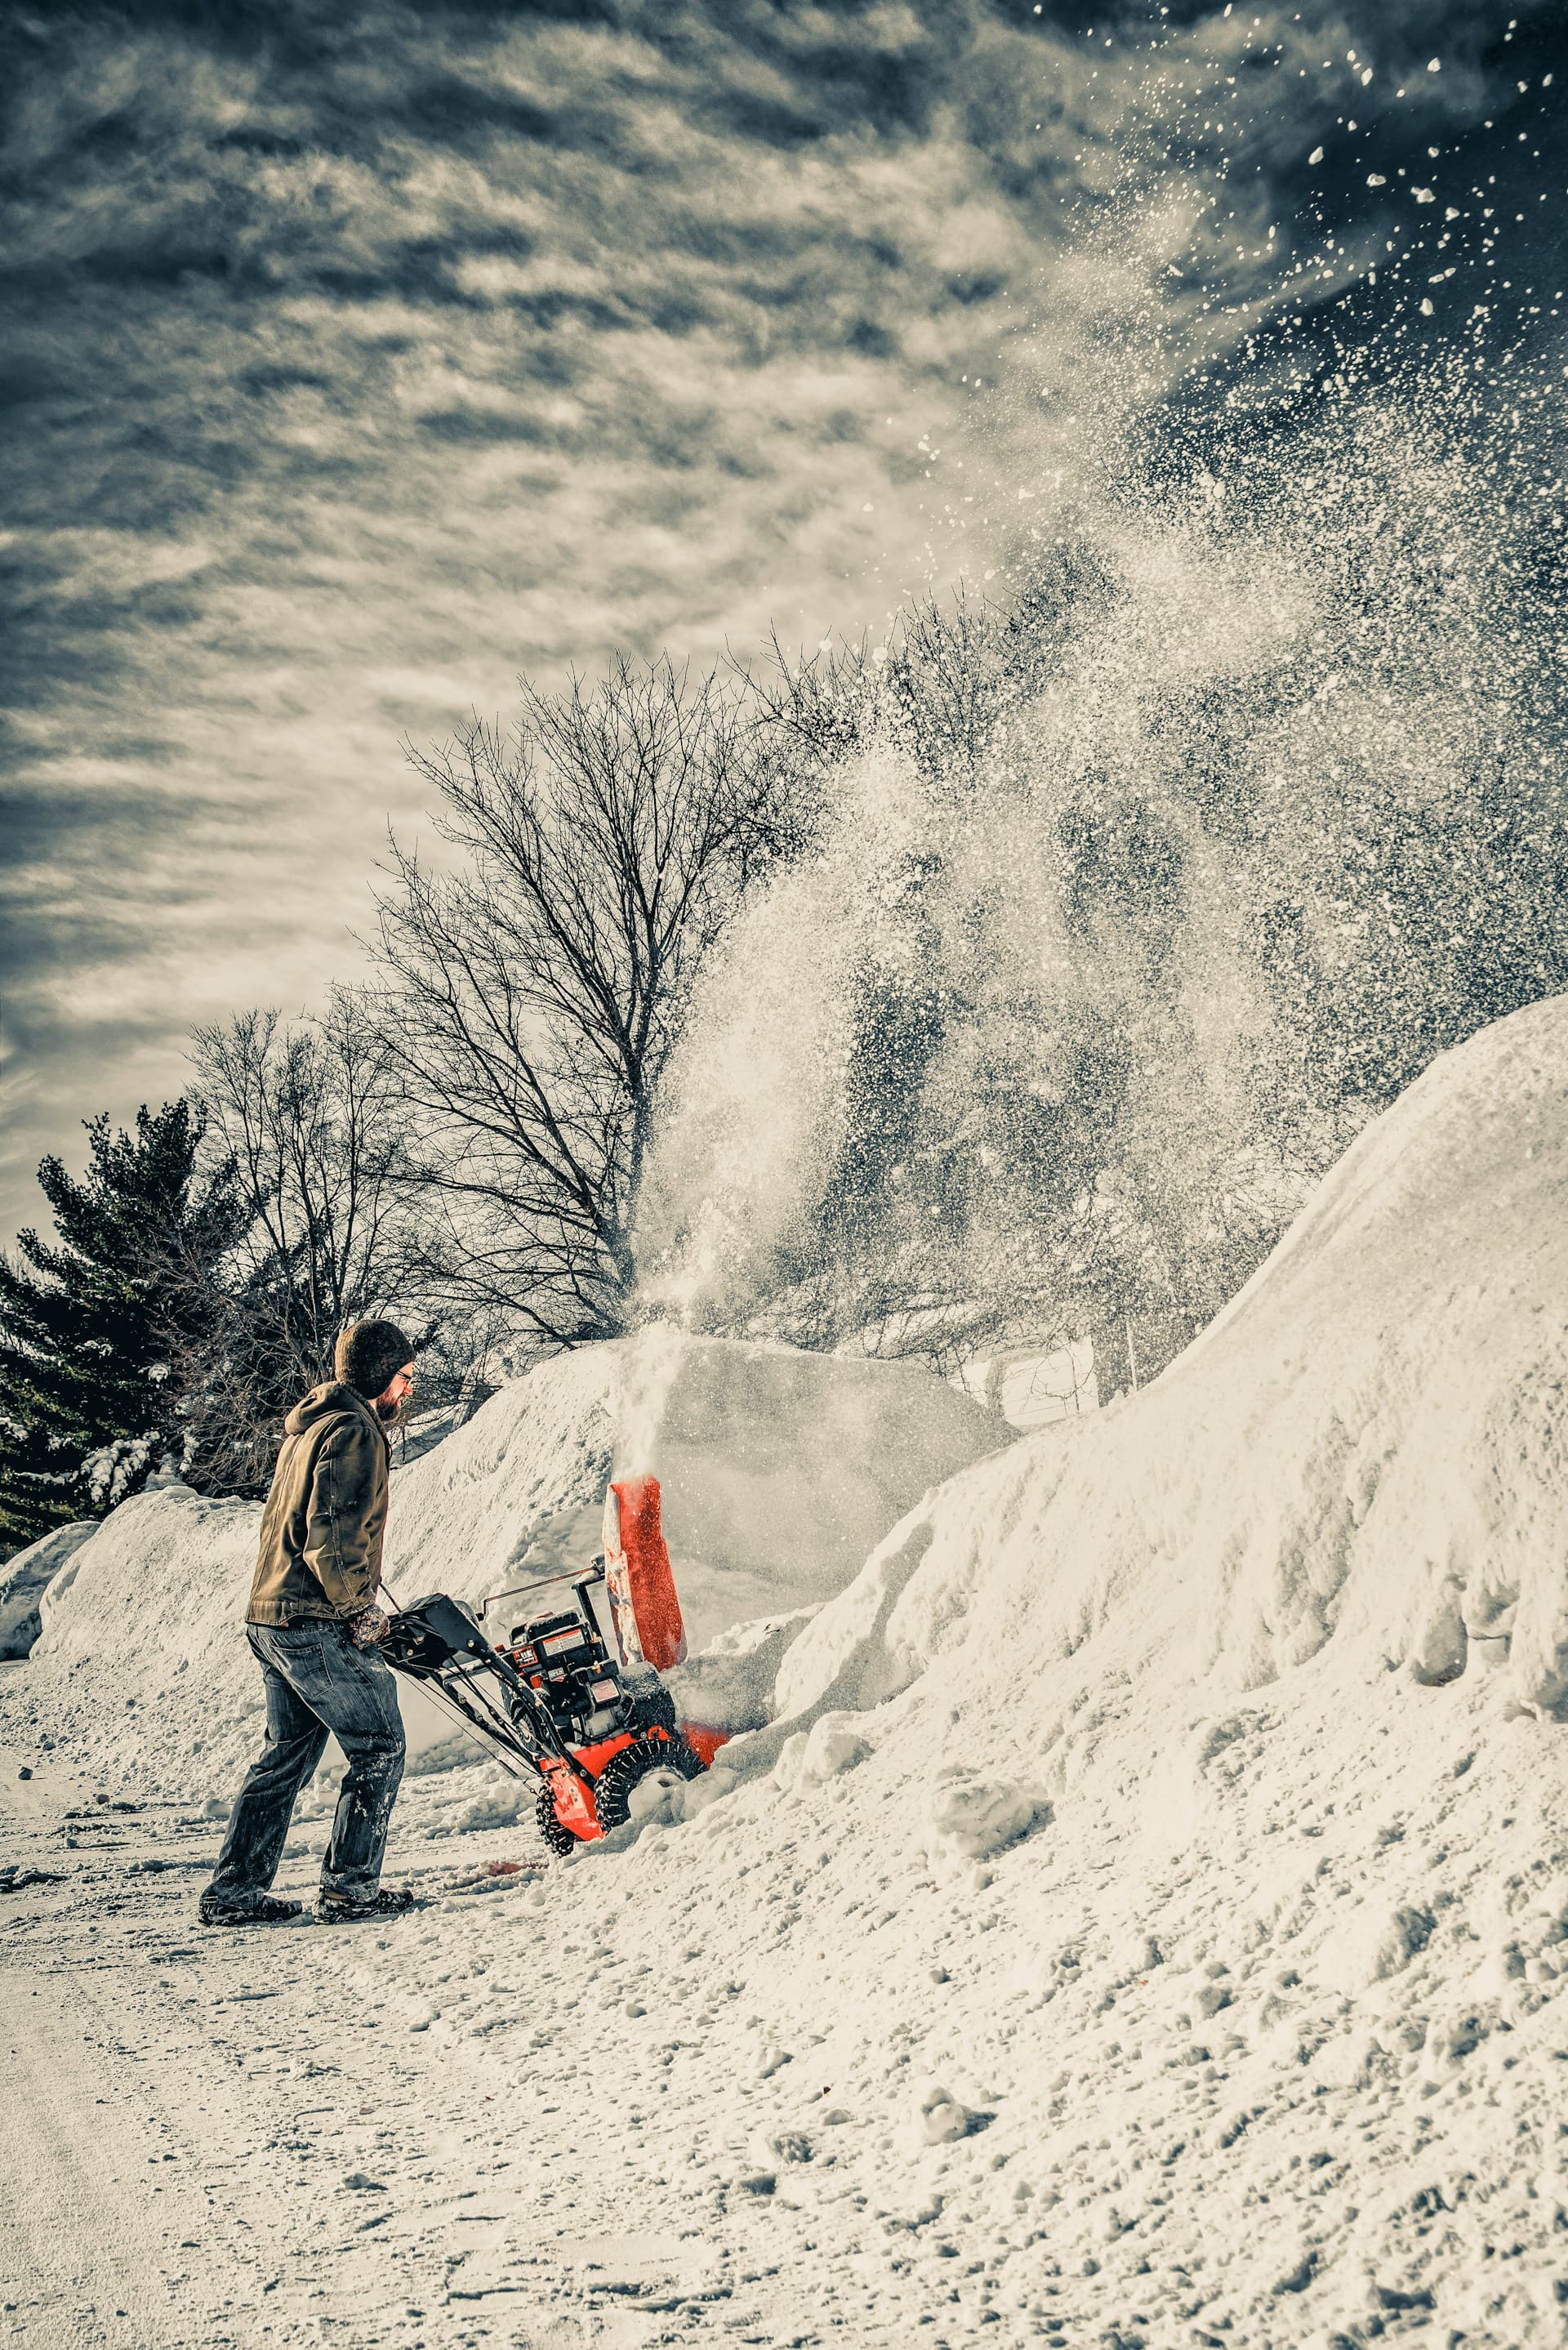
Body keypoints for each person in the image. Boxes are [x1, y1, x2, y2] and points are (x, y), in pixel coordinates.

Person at [199, 1319, 418, 1928]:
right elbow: (332, 1534)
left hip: (271, 1613)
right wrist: (358, 1610)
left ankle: (232, 1894)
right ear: (379, 1375)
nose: (407, 1389)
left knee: (286, 1756)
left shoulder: (311, 1426)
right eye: (403, 1376)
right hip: (311, 1619)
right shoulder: (354, 1431)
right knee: (380, 1745)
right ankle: (350, 1889)